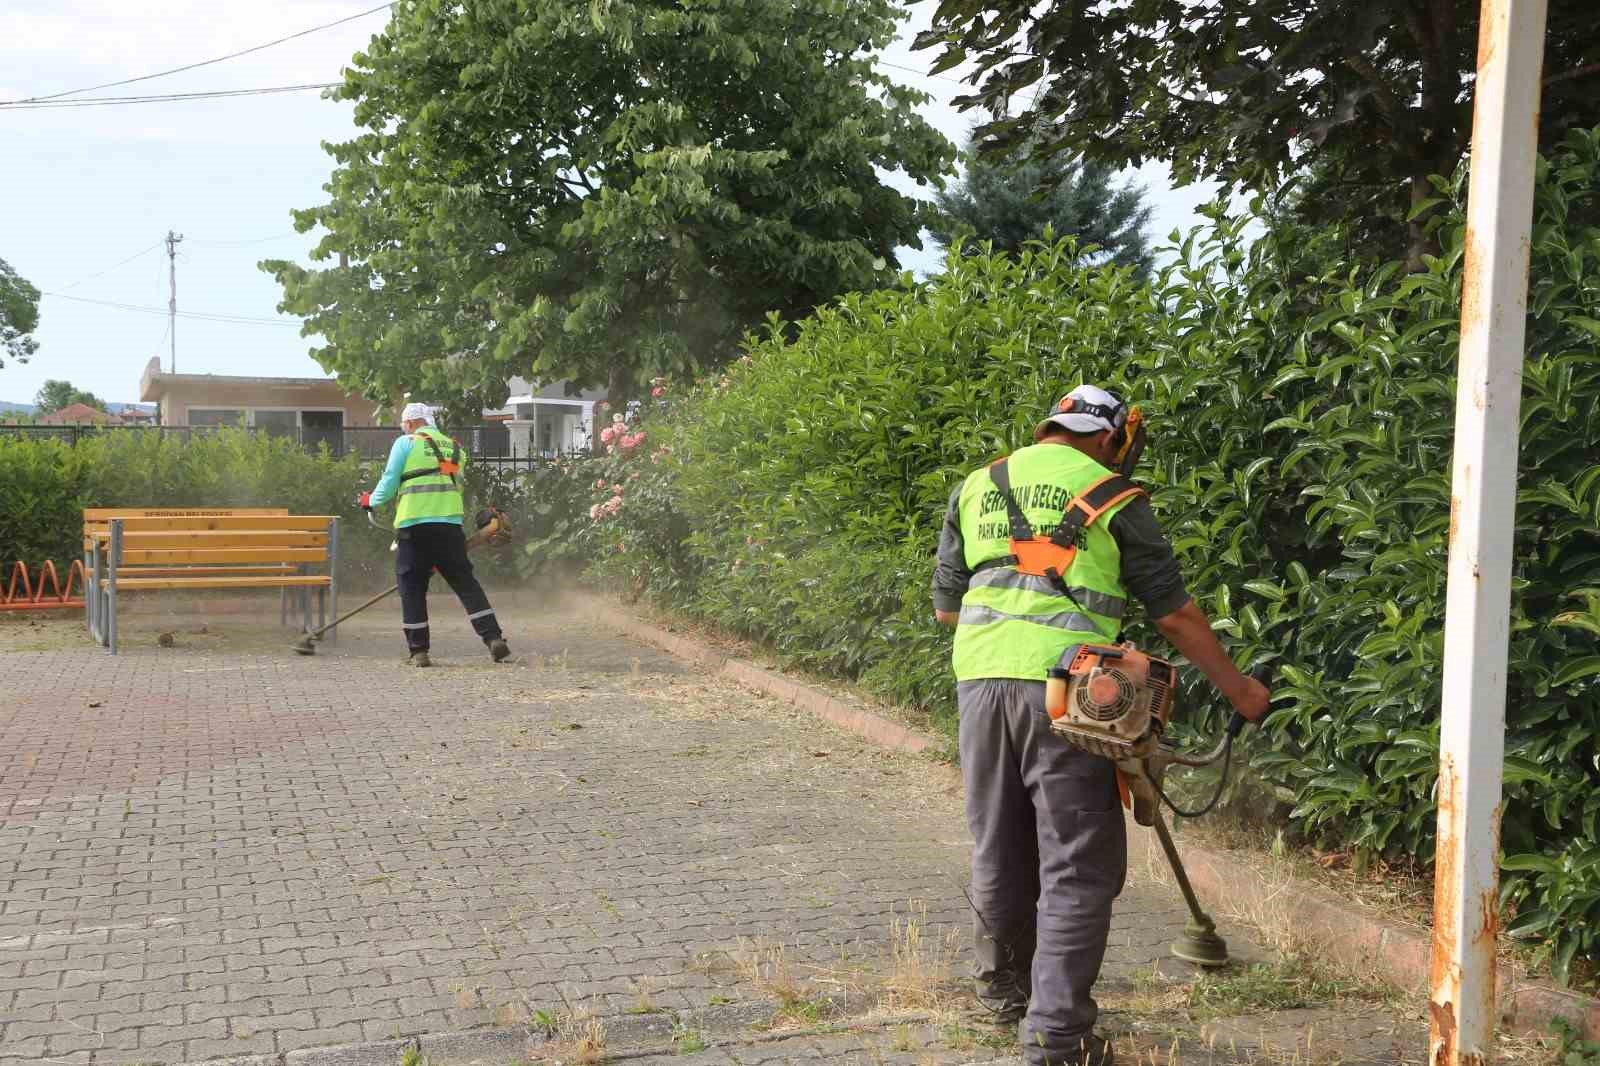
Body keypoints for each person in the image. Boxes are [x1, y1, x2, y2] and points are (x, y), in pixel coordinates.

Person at [931, 384, 1270, 1066]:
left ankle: (1003, 995)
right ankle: (1058, 1036)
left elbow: (946, 608)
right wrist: (1241, 692)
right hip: (1069, 697)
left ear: (1051, 426)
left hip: (980, 683)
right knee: (1079, 862)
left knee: (998, 844)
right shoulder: (1117, 497)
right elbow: (1173, 614)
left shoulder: (979, 484)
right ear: (1111, 438)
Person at [359, 402, 511, 667]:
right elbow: (447, 481)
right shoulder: (454, 448)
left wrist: (370, 501)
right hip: (449, 526)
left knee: (412, 587)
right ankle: (493, 638)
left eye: (404, 424)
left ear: (410, 423)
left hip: (414, 526)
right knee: (465, 583)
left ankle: (419, 651)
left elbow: (390, 479)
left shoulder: (405, 443)